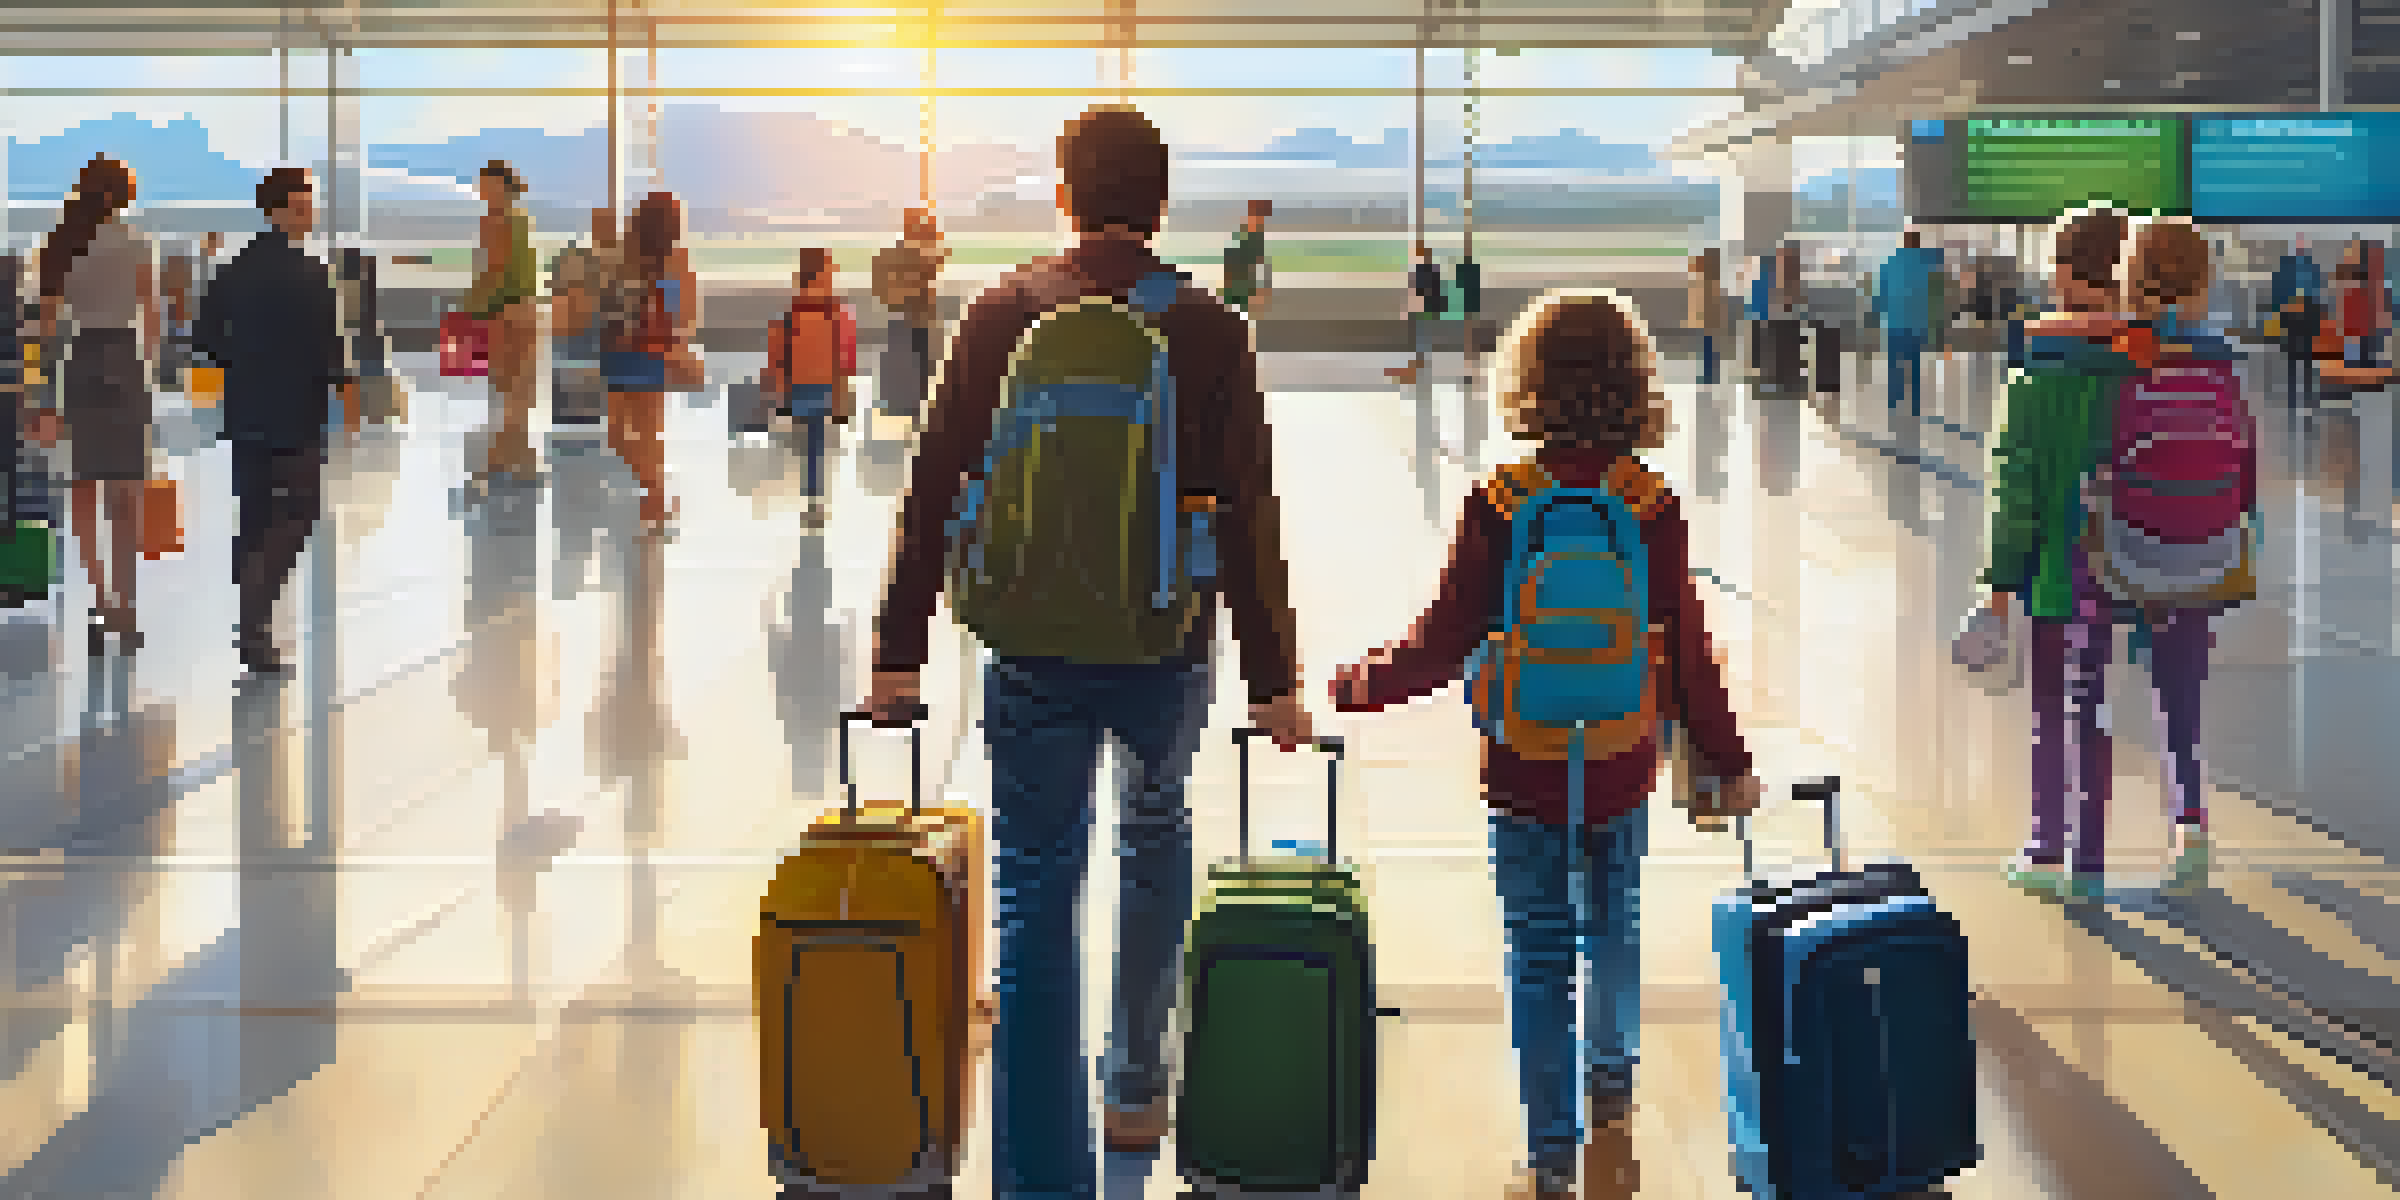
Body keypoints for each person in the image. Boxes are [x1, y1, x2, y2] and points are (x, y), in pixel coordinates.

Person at [860, 103, 1311, 1198]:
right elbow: (1250, 513)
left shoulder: (1004, 312)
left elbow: (933, 489)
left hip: (1031, 646)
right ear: (1160, 204)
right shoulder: (1206, 328)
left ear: (1063, 196)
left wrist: (899, 648)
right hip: (1167, 645)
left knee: (1035, 882)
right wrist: (1277, 680)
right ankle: (1136, 1087)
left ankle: (1038, 1169)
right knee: (1155, 837)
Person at [1331, 290, 1761, 1200]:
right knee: (1614, 923)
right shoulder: (1651, 507)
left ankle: (1551, 1151)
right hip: (1619, 756)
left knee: (1537, 948)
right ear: (1634, 387)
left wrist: (1358, 683)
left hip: (1524, 765)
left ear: (1525, 387)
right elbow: (1685, 649)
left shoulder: (1501, 503)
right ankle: (1612, 1083)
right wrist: (1726, 758)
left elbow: (1441, 641)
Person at [1957, 207, 2150, 903]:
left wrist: (1998, 586)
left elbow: (2016, 491)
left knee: (2051, 711)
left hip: (2053, 577)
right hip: (2131, 567)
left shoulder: (2036, 377)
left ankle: (2047, 848)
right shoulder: (2142, 368)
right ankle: (2092, 860)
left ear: (2067, 276)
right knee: (2093, 708)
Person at [194, 167, 351, 675]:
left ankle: (254, 625)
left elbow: (206, 337)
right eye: (305, 205)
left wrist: (245, 360)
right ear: (281, 208)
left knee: (257, 513)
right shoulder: (310, 270)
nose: (312, 213)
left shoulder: (234, 266)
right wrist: (342, 390)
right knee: (301, 512)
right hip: (298, 410)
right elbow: (328, 346)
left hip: (247, 408)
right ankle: (256, 618)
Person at [38, 155, 159, 655]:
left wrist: (43, 394)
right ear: (121, 193)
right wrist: (145, 372)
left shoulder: (62, 243)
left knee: (85, 488)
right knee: (125, 494)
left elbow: (44, 330)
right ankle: (126, 608)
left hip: (80, 361)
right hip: (125, 362)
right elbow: (152, 320)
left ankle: (101, 598)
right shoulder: (135, 242)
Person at [599, 191, 701, 537]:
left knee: (626, 432)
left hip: (631, 350)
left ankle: (653, 494)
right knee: (640, 431)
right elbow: (685, 315)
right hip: (641, 352)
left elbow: (611, 301)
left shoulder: (639, 257)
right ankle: (653, 490)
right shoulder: (661, 259)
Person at [762, 247, 855, 529]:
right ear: (811, 280)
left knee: (814, 446)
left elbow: (845, 361)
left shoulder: (833, 315)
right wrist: (781, 393)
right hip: (803, 388)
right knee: (811, 446)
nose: (830, 282)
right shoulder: (799, 317)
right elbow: (778, 358)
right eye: (826, 275)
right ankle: (812, 499)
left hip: (818, 388)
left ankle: (813, 500)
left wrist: (841, 396)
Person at [462, 160, 539, 489]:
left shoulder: (505, 221)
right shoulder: (508, 220)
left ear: (503, 187)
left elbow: (499, 269)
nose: (483, 191)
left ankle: (502, 460)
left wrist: (474, 307)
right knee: (510, 389)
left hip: (507, 313)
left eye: (488, 185)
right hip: (508, 311)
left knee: (511, 390)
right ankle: (516, 459)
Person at [870, 207, 948, 426]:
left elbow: (938, 261)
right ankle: (907, 407)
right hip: (906, 320)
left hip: (916, 320)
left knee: (919, 367)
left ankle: (911, 407)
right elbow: (888, 289)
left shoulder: (918, 253)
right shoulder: (899, 255)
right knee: (909, 366)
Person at [548, 207, 620, 428]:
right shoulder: (579, 258)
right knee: (573, 417)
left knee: (588, 417)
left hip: (595, 343)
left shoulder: (614, 263)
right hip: (577, 342)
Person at [1873, 230, 1944, 416]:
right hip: (1917, 323)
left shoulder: (1891, 261)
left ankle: (1893, 401)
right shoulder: (1926, 262)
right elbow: (1937, 289)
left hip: (1895, 322)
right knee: (1914, 364)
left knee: (1894, 363)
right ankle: (1915, 403)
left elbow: (1881, 293)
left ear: (1903, 242)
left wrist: (1877, 313)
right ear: (1918, 243)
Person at [2269, 233, 2326, 407]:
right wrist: (2279, 311)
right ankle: (2295, 396)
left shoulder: (2311, 266)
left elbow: (2318, 292)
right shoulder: (2287, 267)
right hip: (2292, 314)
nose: (2301, 245)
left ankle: (2306, 394)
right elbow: (2278, 291)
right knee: (2293, 356)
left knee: (2307, 356)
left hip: (2307, 314)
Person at [1386, 241, 1444, 384]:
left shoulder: (1425, 271)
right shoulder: (1430, 270)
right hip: (1425, 312)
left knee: (1419, 344)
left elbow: (1421, 294)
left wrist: (1409, 309)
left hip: (1423, 312)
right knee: (1419, 345)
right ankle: (1414, 371)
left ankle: (1414, 372)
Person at [1221, 198, 1273, 316]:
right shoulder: (1245, 238)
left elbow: (1261, 265)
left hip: (1245, 293)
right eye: (1260, 217)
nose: (1262, 221)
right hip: (1241, 294)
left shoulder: (1255, 237)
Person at [1685, 248, 1726, 385]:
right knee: (1707, 350)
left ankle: (1710, 377)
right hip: (1709, 323)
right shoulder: (1710, 283)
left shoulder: (1708, 284)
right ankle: (1709, 376)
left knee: (1708, 350)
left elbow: (1703, 304)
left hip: (1708, 323)